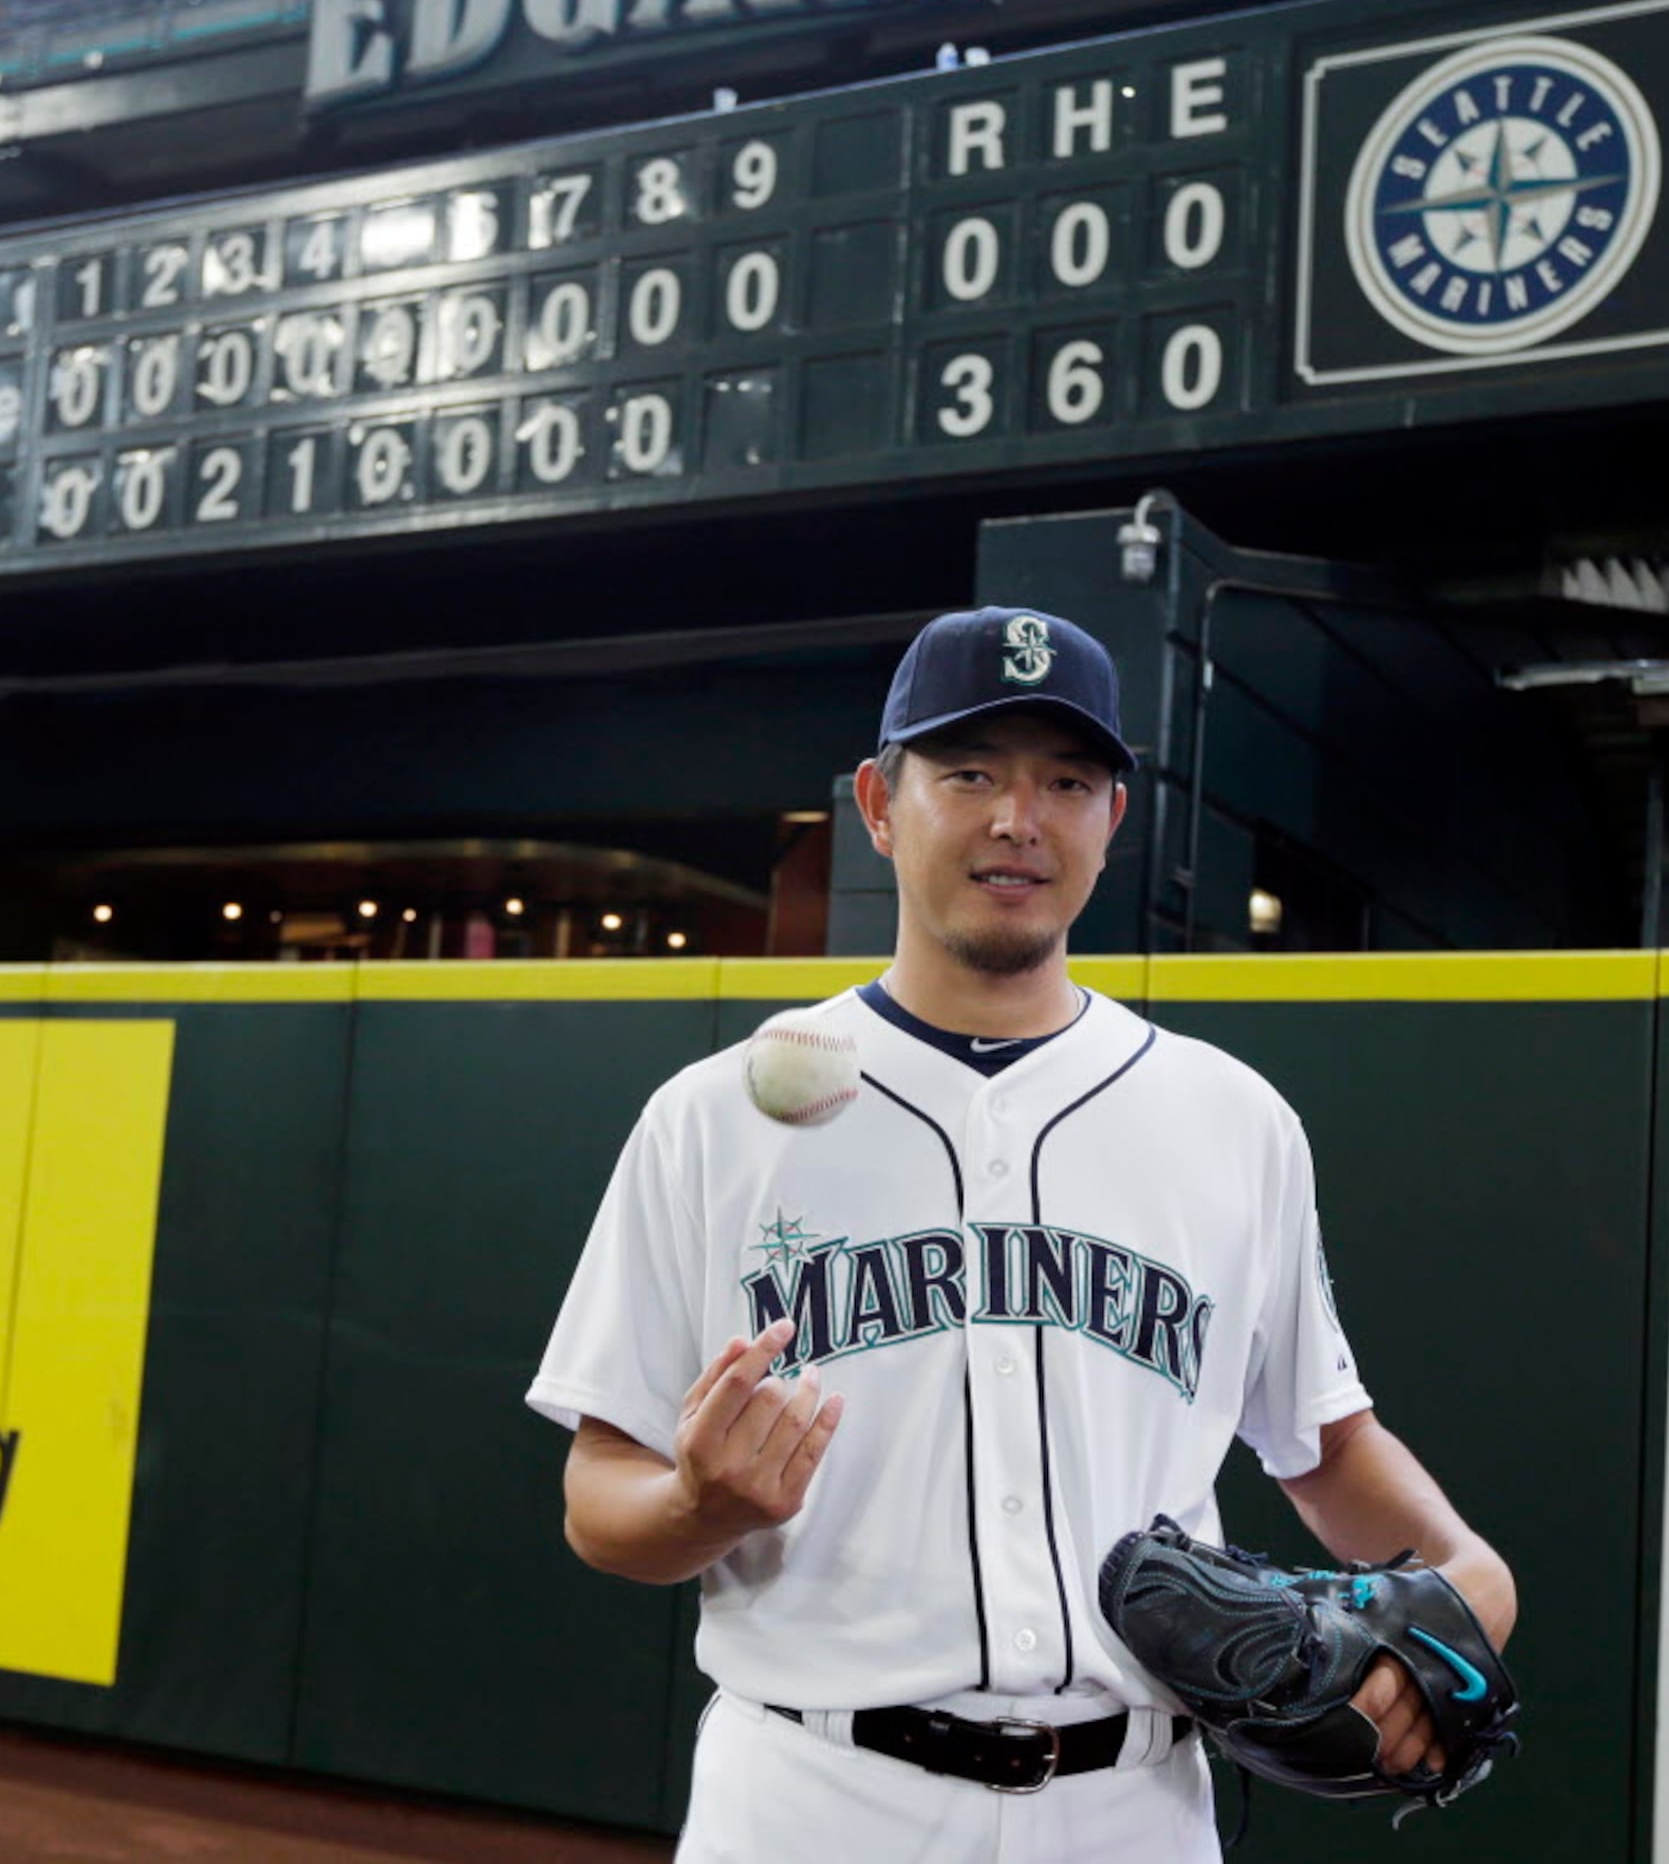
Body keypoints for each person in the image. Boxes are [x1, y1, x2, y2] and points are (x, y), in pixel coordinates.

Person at [527, 607, 1517, 1862]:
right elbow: (596, 1505)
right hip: (814, 1795)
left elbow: (1321, 1442)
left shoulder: (1232, 1118)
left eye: (1065, 780)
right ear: (882, 804)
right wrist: (698, 1503)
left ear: (1114, 818)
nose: (1017, 819)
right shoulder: (714, 1117)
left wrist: (1473, 1571)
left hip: (1134, 1810)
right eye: (971, 773)